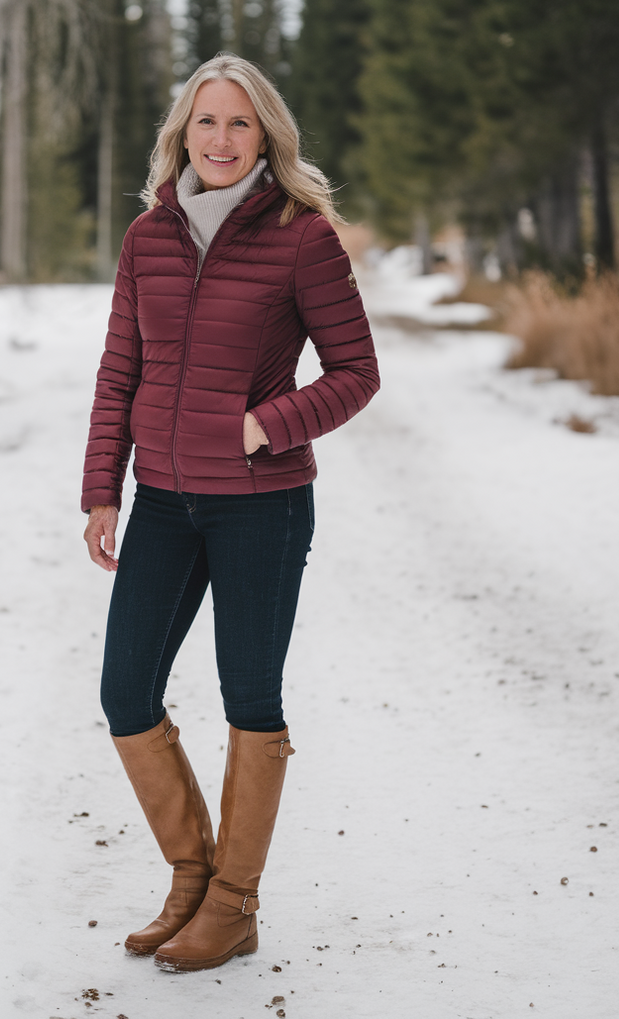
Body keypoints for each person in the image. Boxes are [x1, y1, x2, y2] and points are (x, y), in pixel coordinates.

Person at [81, 53, 379, 973]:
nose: (220, 139)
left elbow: (356, 373)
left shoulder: (303, 237)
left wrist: (265, 425)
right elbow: (118, 372)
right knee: (126, 692)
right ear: (182, 135)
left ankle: (236, 905)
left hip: (263, 506)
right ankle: (191, 879)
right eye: (205, 122)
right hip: (165, 503)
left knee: (251, 698)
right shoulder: (149, 236)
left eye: (240, 123)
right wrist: (102, 487)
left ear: (266, 137)